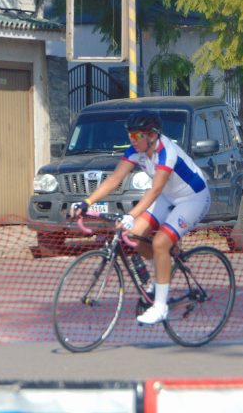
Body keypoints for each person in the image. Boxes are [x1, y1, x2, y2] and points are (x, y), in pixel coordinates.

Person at [70, 110, 211, 325]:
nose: (132, 140)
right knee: (133, 236)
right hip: (167, 195)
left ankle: (161, 307)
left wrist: (130, 214)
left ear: (152, 135)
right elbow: (114, 179)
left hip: (193, 198)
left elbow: (154, 191)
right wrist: (86, 202)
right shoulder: (136, 151)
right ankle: (162, 271)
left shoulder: (167, 152)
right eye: (130, 136)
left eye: (137, 136)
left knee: (160, 242)